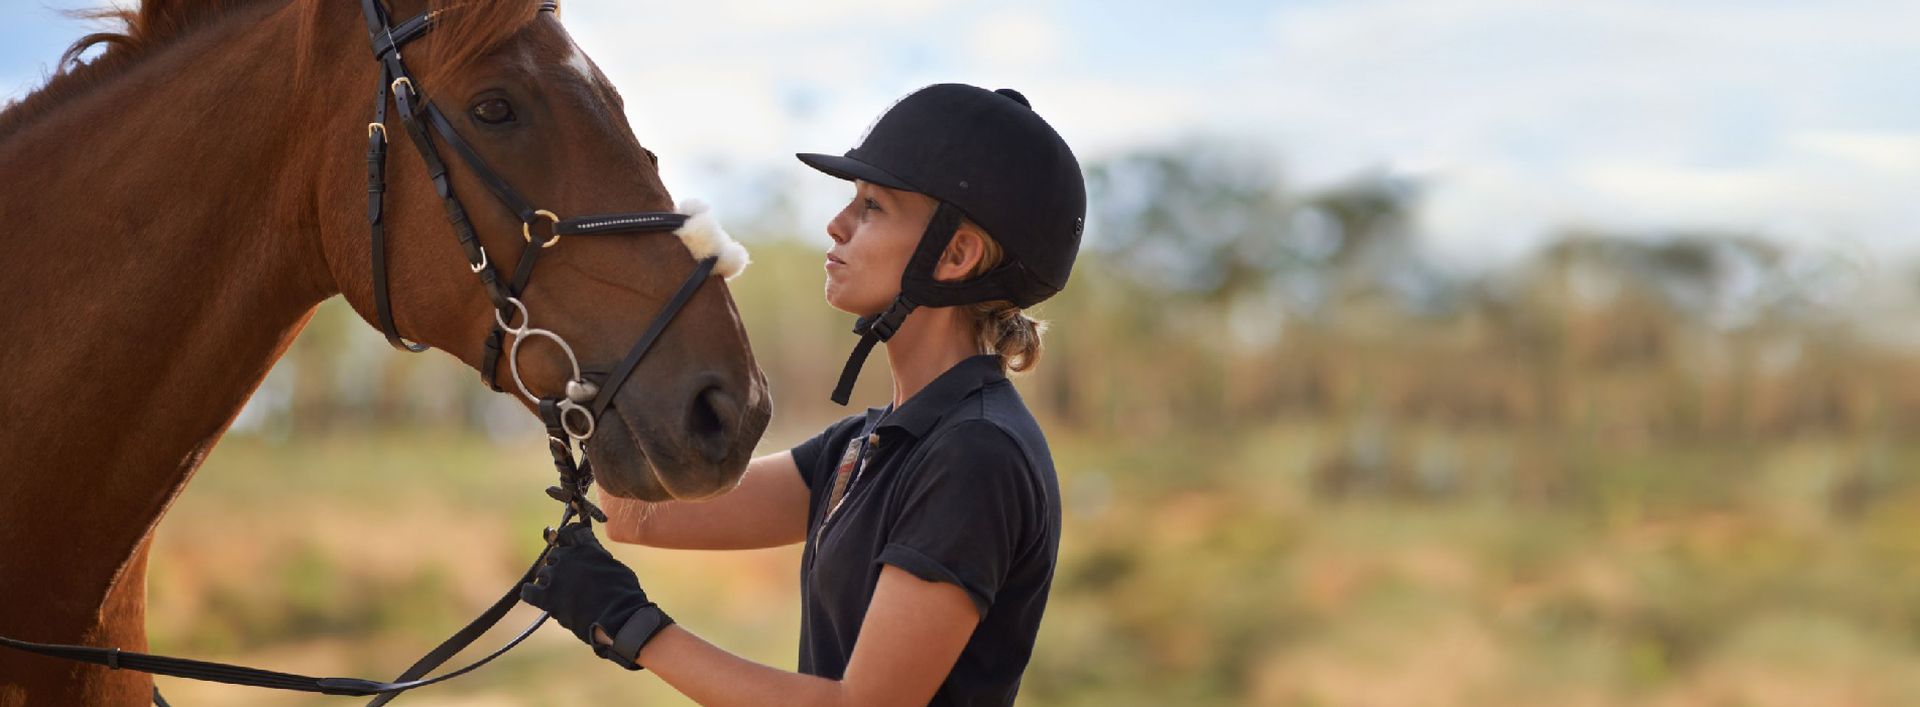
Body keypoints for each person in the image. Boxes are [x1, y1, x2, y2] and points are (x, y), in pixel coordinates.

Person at [522, 82, 1086, 706]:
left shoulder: (975, 454)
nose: (837, 223)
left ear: (955, 254)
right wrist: (604, 338)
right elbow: (636, 516)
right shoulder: (869, 444)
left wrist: (635, 629)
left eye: (872, 207)